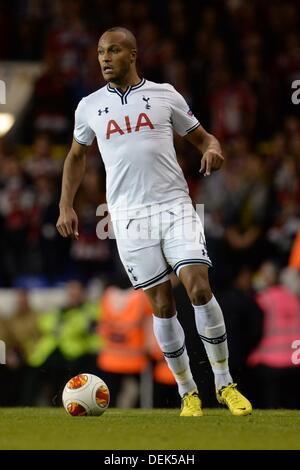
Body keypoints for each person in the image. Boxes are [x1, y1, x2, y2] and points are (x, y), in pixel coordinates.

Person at [56, 27, 252, 416]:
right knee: (162, 305)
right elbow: (76, 157)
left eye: (113, 50)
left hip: (175, 206)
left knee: (197, 287)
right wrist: (66, 205)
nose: (104, 58)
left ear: (133, 54)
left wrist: (214, 149)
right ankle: (188, 393)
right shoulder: (89, 106)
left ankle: (225, 384)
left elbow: (205, 138)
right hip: (128, 219)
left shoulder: (164, 95)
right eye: (99, 52)